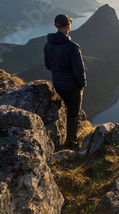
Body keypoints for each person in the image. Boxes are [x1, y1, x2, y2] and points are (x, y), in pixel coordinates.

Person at [44, 14, 87, 149]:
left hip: (56, 85)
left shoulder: (48, 44)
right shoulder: (72, 47)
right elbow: (79, 72)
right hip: (72, 88)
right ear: (68, 26)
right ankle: (71, 143)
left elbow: (48, 65)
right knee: (73, 114)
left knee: (62, 111)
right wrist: (82, 85)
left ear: (57, 26)